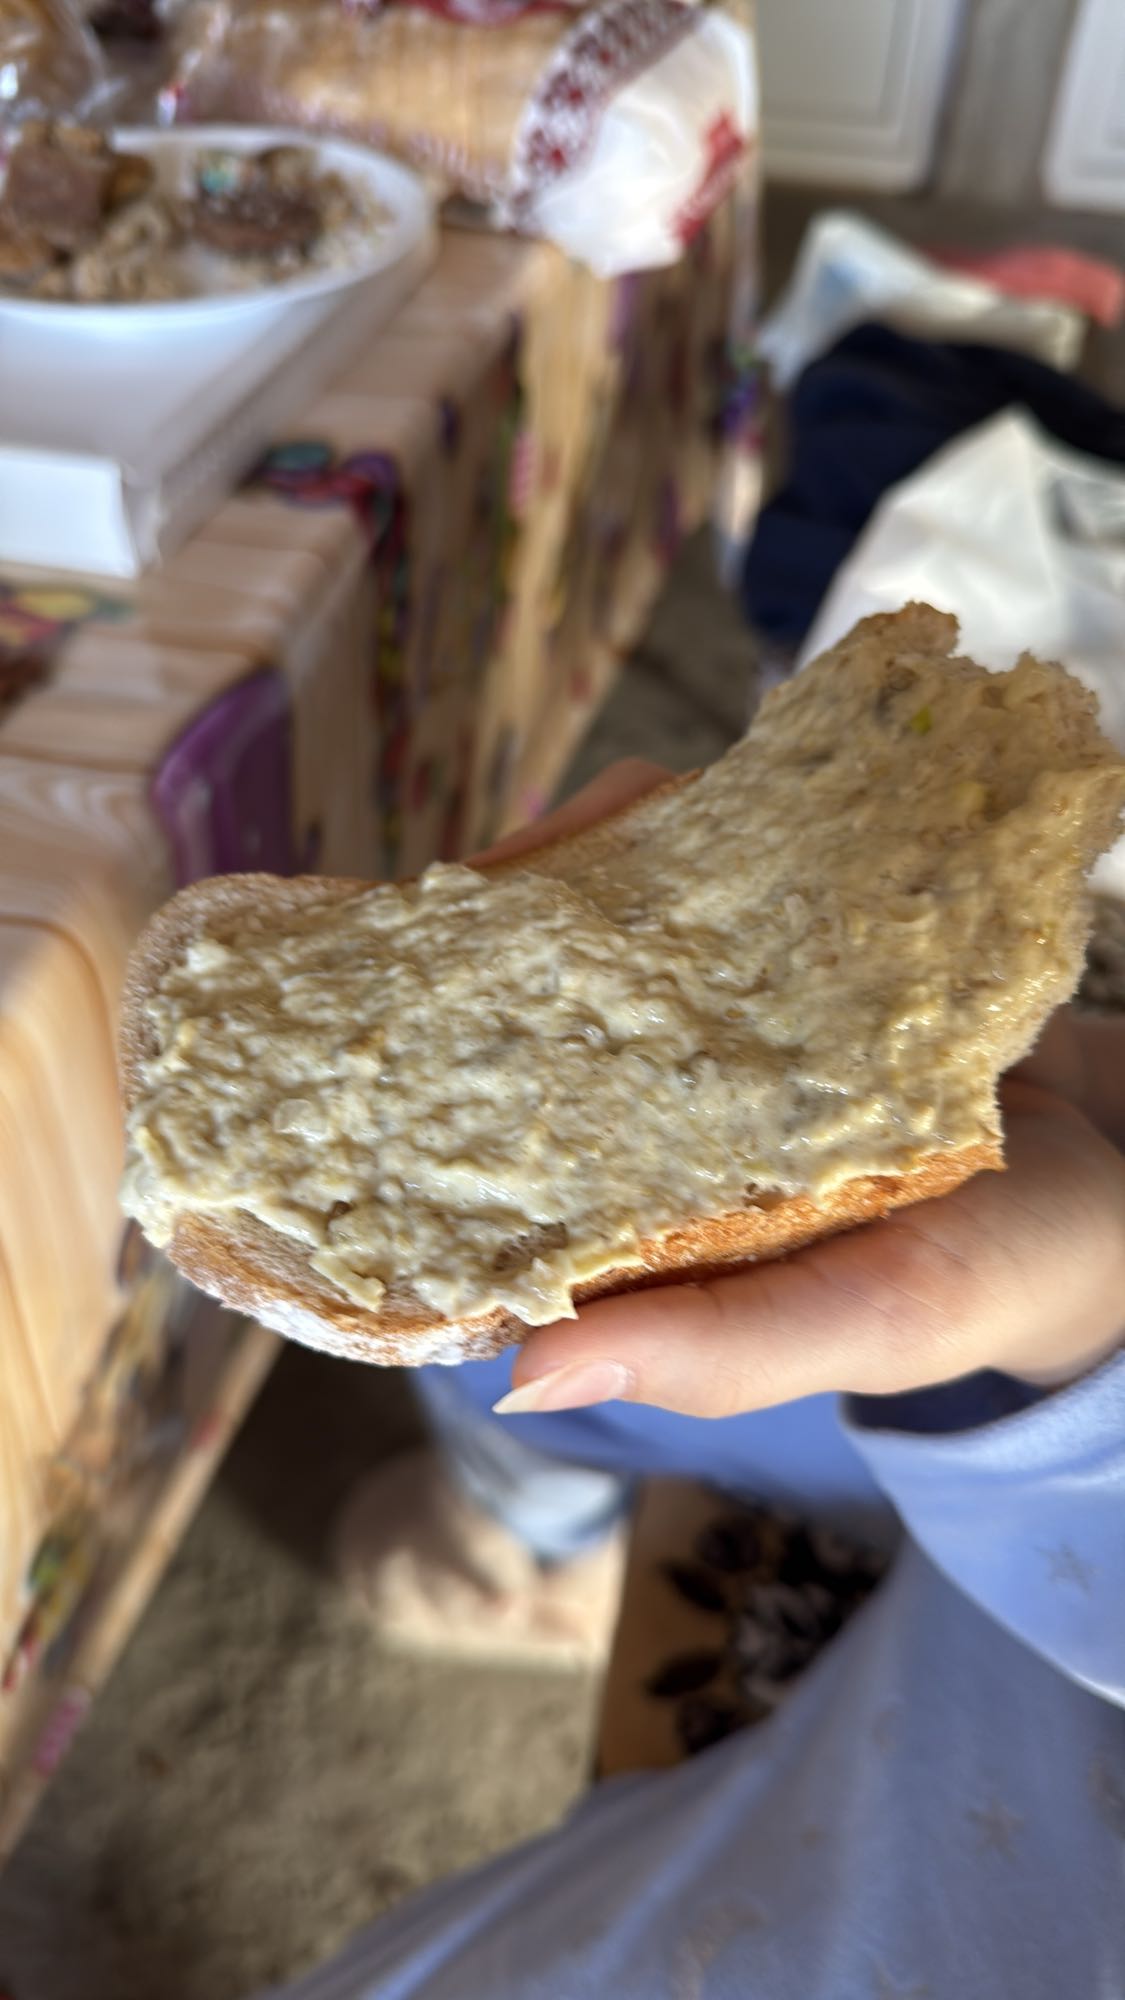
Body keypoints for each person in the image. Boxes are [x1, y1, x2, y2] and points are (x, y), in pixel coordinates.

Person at [264, 763, 1125, 2000]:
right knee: (511, 1343)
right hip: (1023, 1541)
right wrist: (1095, 1340)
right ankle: (530, 1555)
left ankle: (524, 1562)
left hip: (838, 1851)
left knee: (532, 1344)